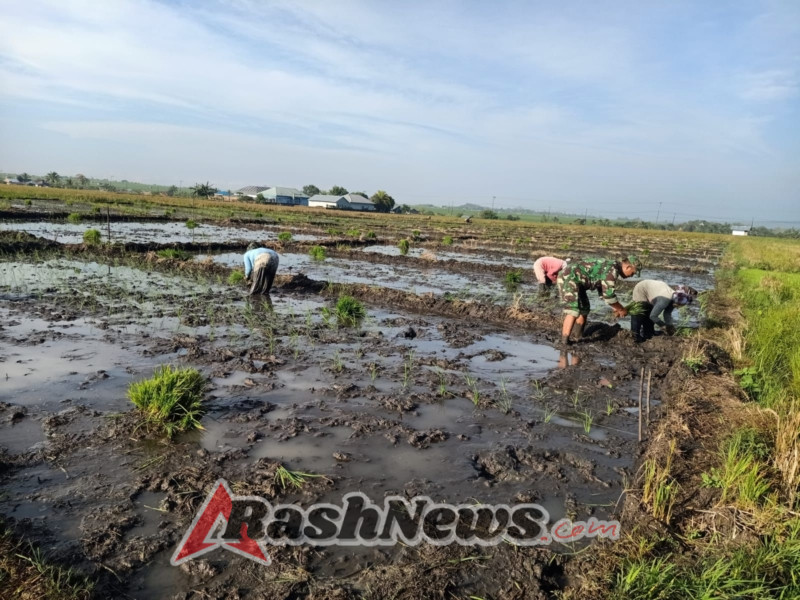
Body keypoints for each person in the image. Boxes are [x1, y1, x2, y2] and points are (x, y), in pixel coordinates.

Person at [557, 256, 639, 347]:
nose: (631, 276)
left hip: (578, 282)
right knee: (573, 309)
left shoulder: (612, 267)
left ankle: (578, 336)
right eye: (632, 273)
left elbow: (603, 292)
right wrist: (621, 309)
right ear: (628, 267)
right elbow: (609, 296)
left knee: (584, 308)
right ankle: (564, 342)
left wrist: (614, 307)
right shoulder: (612, 270)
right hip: (569, 278)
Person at [631, 281, 698, 342]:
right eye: (681, 305)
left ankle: (648, 333)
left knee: (650, 311)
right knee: (640, 311)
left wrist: (670, 326)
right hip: (642, 289)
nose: (679, 307)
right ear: (678, 303)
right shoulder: (665, 300)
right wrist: (663, 326)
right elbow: (653, 316)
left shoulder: (674, 298)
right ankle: (634, 335)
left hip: (655, 291)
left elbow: (667, 314)